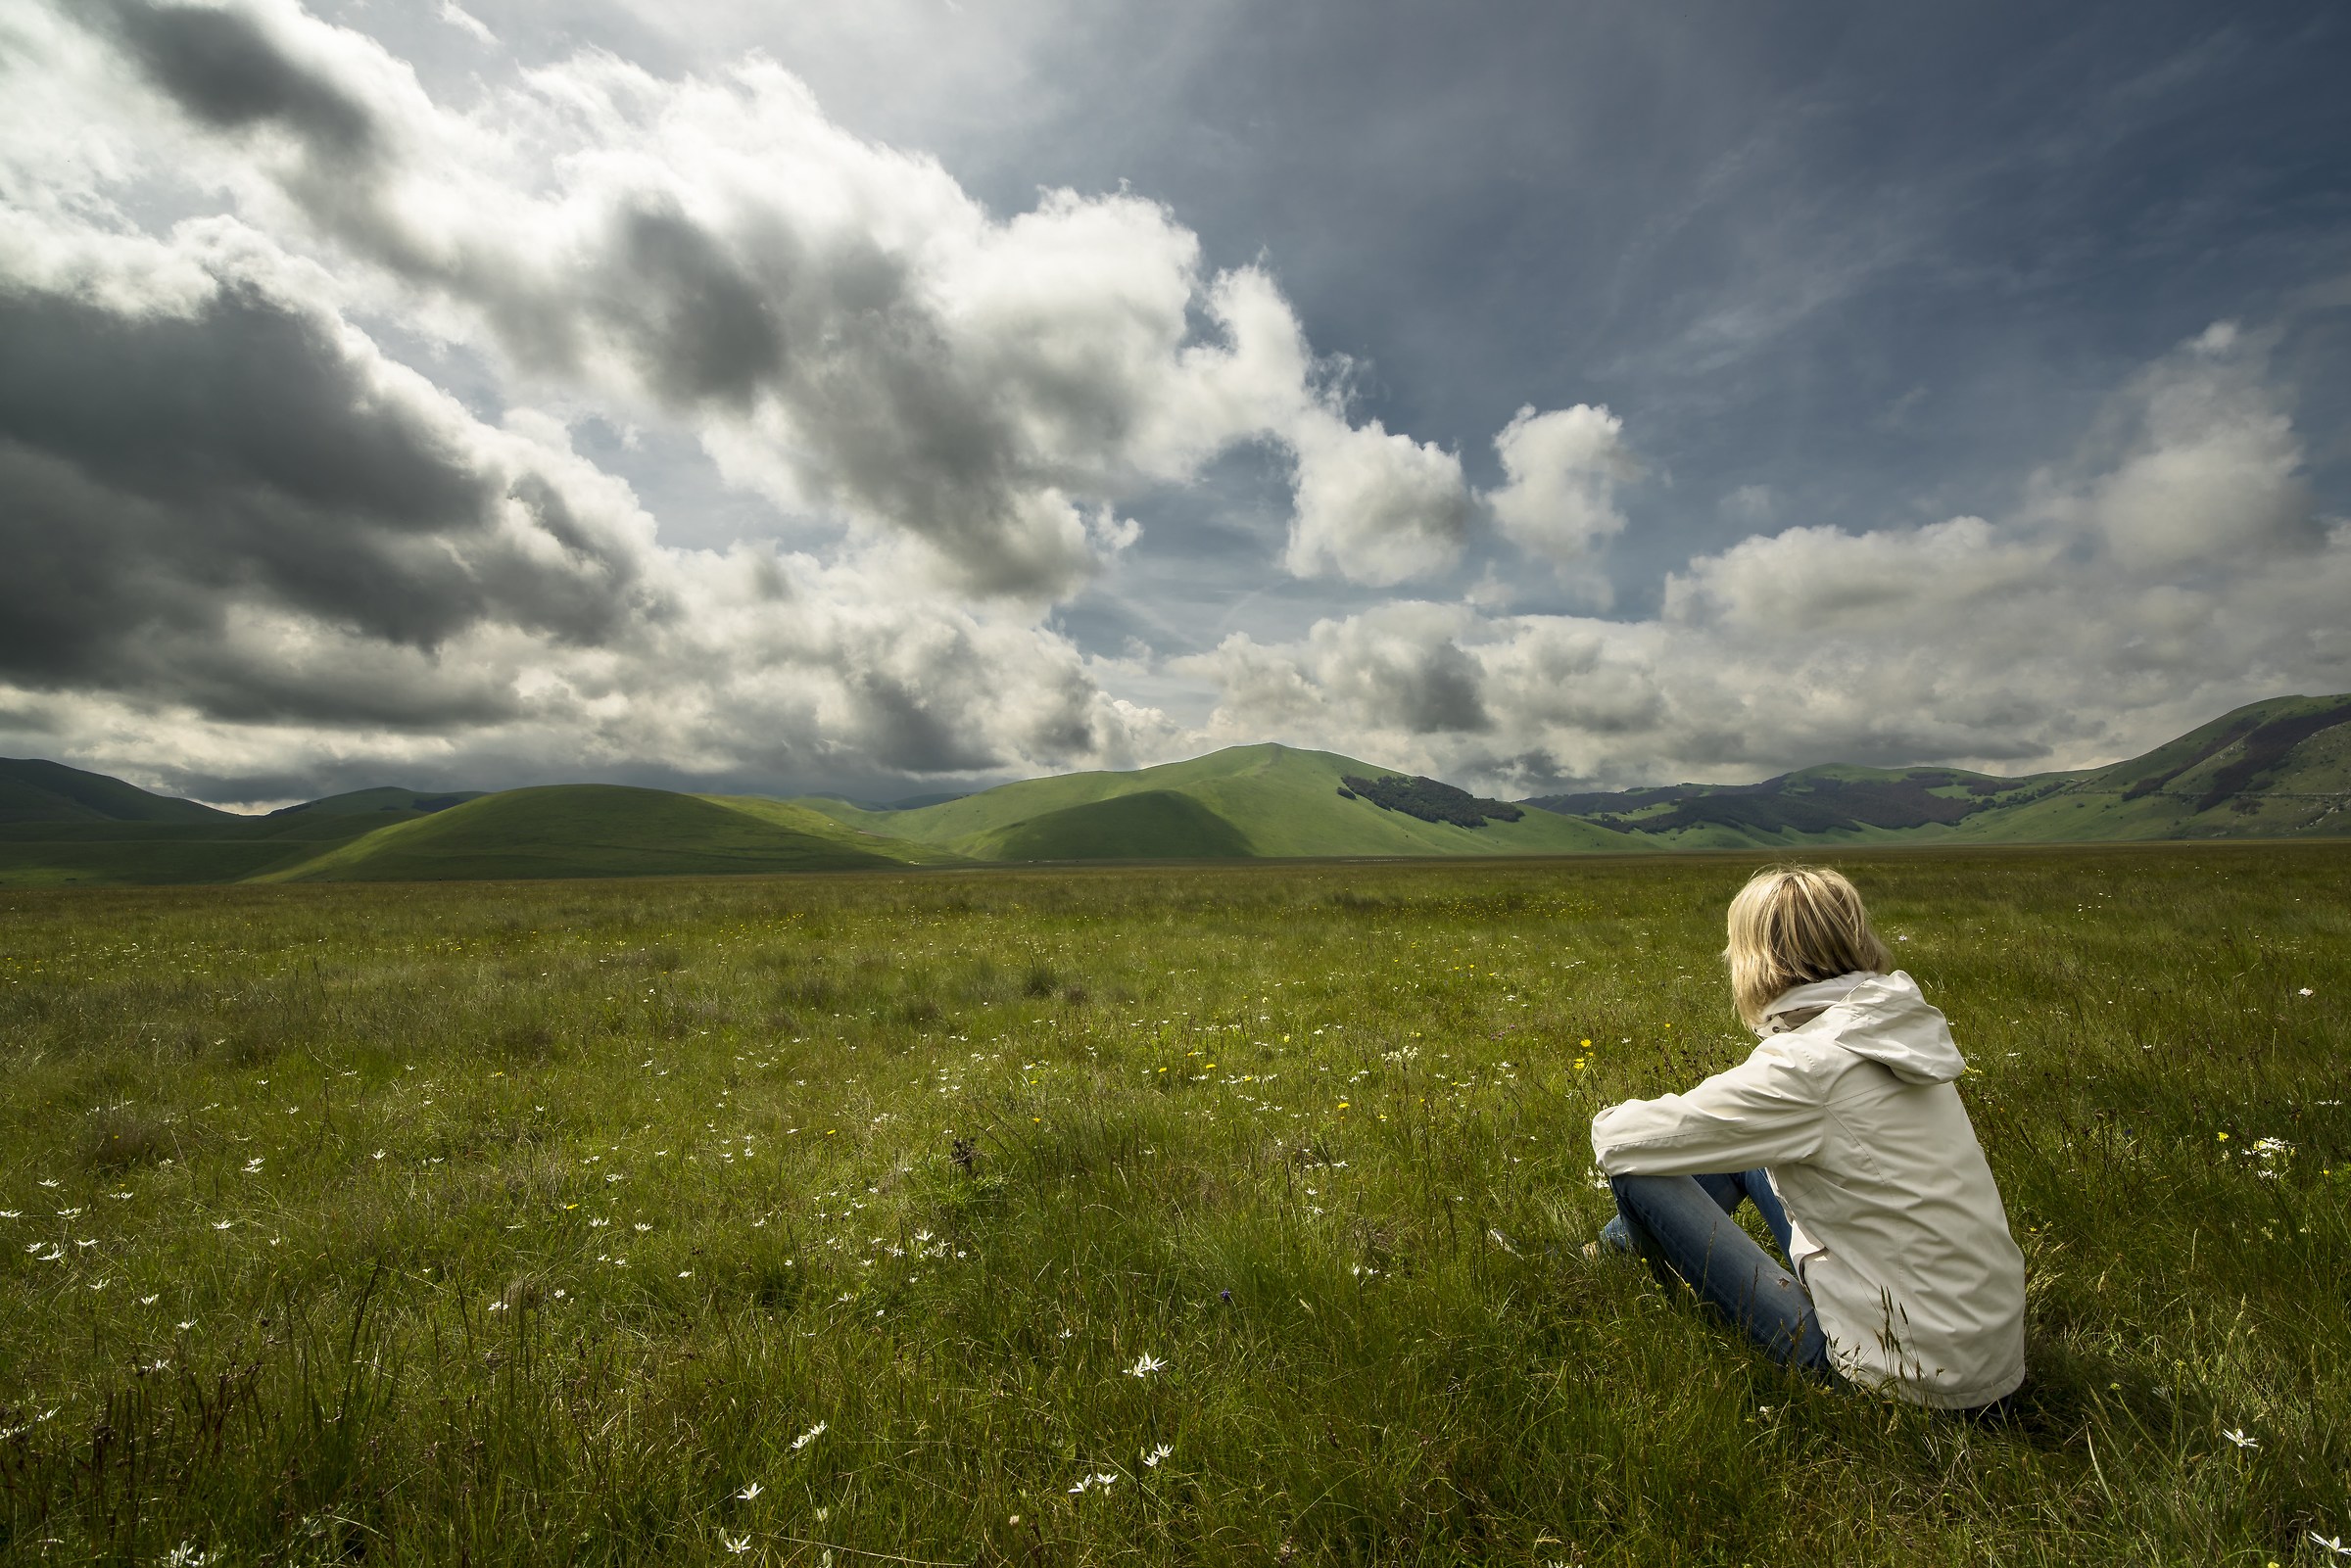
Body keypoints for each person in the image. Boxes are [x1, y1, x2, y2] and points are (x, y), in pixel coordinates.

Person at [1587, 865, 2027, 1410]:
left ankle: (1605, 1271)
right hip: (1985, 1362)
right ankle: (1600, 1258)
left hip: (1895, 1383)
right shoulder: (1891, 1030)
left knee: (1637, 1173)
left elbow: (1618, 1141)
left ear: (1756, 960)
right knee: (1741, 1156)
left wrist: (1630, 1116)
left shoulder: (1807, 1065)